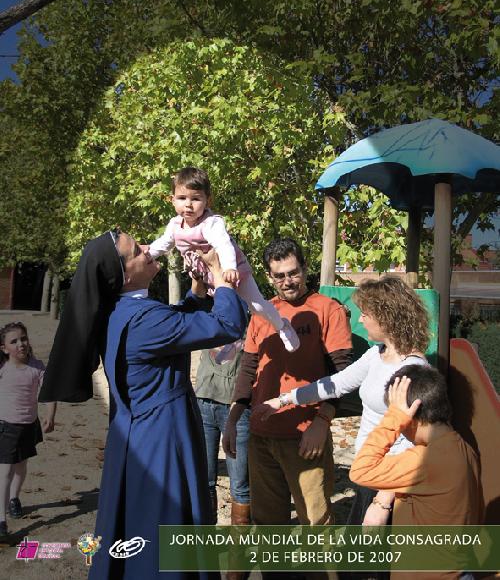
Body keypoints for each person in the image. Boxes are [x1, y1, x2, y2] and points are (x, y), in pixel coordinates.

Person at [39, 229, 248, 580]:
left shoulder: (120, 311)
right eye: (137, 251)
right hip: (163, 440)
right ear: (121, 274)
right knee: (163, 531)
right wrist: (222, 273)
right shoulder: (145, 319)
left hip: (137, 436)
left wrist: (197, 292)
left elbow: (171, 328)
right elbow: (228, 324)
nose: (150, 249)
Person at [254, 275, 430, 526]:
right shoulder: (377, 354)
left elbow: (411, 442)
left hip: (389, 485)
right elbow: (335, 384)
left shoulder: (411, 369)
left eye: (365, 314)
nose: (360, 320)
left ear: (386, 316)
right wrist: (283, 400)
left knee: (375, 563)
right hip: (370, 474)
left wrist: (383, 502)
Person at [224, 237, 353, 527]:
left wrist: (322, 422)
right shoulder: (261, 313)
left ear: (306, 269)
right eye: (279, 276)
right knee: (268, 525)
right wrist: (232, 420)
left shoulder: (327, 310)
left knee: (316, 524)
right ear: (269, 277)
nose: (288, 281)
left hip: (306, 437)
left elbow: (341, 374)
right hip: (261, 434)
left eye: (293, 272)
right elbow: (248, 369)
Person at [150, 167, 300, 353]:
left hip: (234, 271)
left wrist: (229, 267)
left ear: (207, 201)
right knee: (222, 309)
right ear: (172, 200)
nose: (188, 204)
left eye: (195, 199)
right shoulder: (174, 225)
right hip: (209, 276)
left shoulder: (210, 223)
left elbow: (223, 244)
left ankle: (282, 326)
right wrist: (148, 255)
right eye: (182, 198)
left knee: (257, 305)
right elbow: (163, 244)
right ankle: (232, 341)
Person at [349, 366, 484, 526]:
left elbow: (360, 471)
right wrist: (382, 501)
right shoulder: (461, 447)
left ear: (410, 417)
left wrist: (394, 418)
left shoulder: (427, 460)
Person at [0, 322, 56, 539]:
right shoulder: (3, 368)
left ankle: (15, 498)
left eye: (23, 338)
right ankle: (1, 520)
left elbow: (49, 392)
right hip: (5, 427)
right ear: (4, 348)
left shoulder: (37, 367)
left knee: (21, 467)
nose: (20, 344)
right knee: (4, 472)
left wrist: (50, 415)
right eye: (13, 341)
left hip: (28, 426)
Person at [195, 341, 251, 526]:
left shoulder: (254, 316)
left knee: (240, 485)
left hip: (238, 406)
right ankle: (207, 550)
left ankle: (237, 553)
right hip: (205, 398)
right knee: (205, 480)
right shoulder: (206, 312)